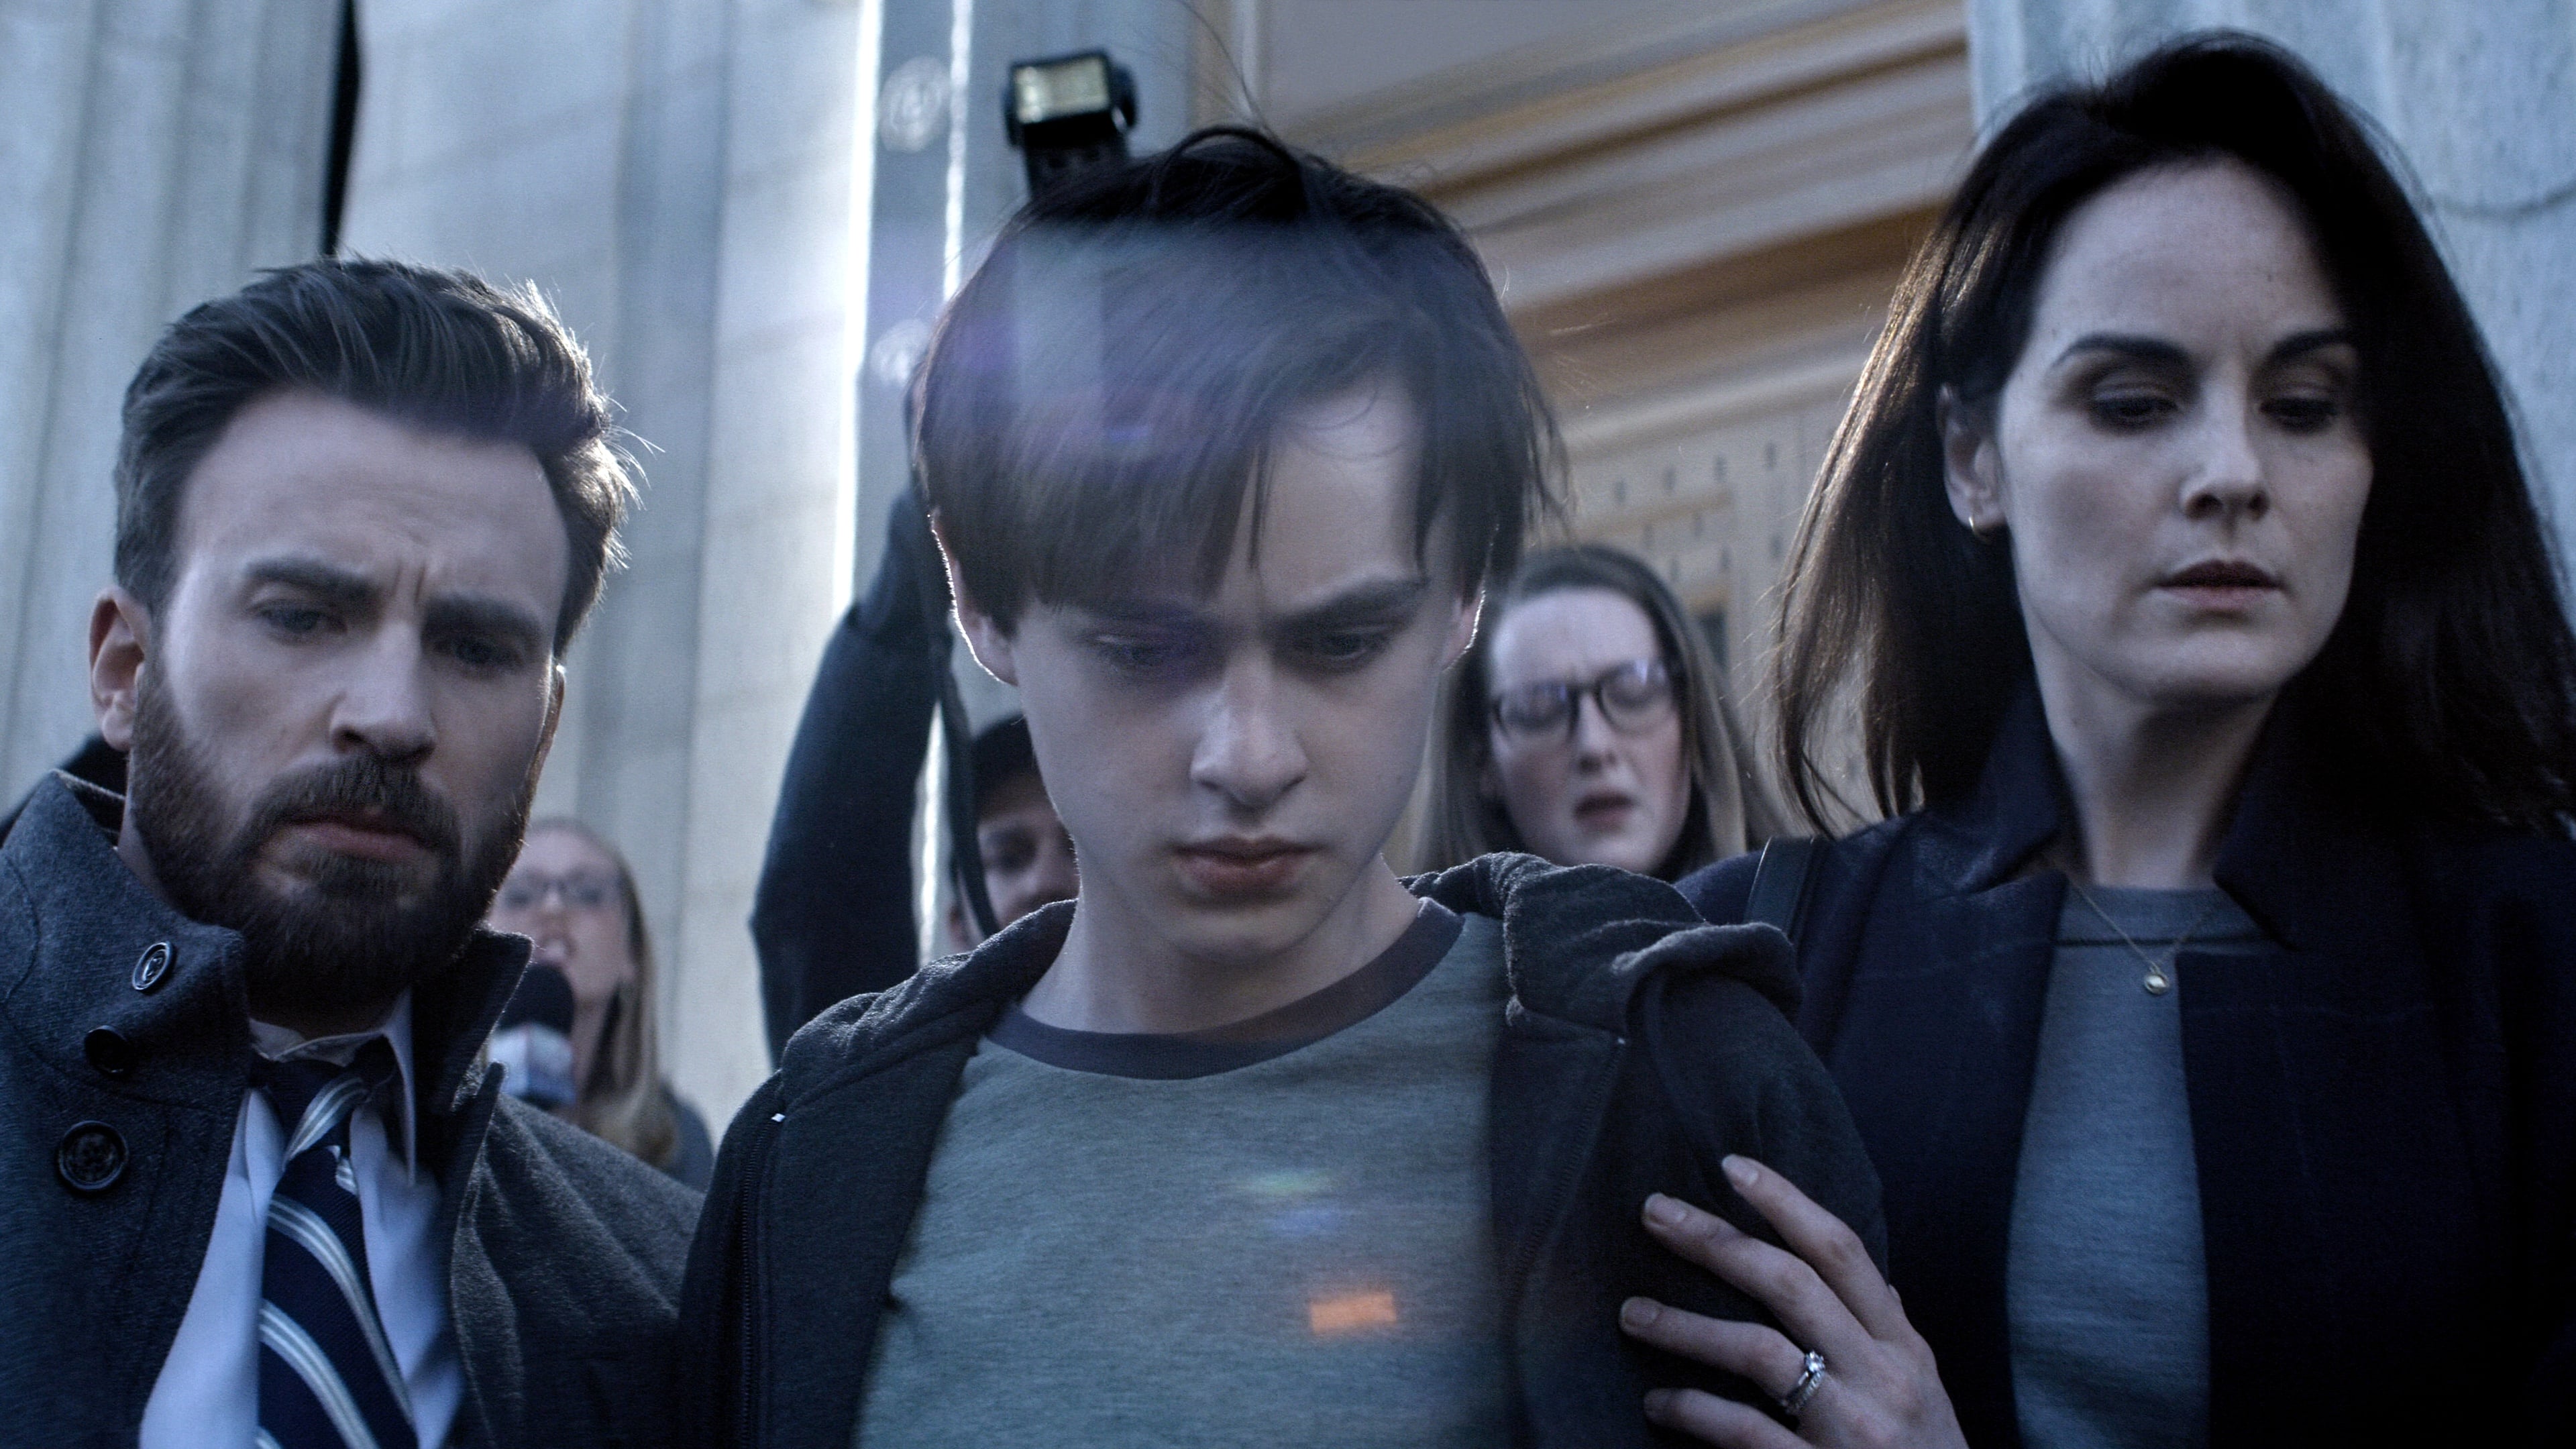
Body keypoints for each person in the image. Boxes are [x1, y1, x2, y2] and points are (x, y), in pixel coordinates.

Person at [680, 128, 1884, 1448]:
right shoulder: (815, 1171)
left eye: (1341, 643)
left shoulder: (1686, 1090)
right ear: (978, 602)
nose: (1248, 757)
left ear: (1466, 596)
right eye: (1144, 652)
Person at [1651, 35, 2576, 1448]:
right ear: (1972, 457)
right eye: (2134, 402)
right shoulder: (1762, 959)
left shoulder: (2540, 960)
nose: (2232, 475)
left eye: (2304, 406)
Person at [0, 259, 700, 1448]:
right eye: (301, 616)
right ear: (124, 670)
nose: (391, 714)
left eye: (475, 649)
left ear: (544, 731)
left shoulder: (662, 1293)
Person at [751, 482, 1077, 1059]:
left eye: (1080, 850)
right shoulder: (893, 1082)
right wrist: (911, 575)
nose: (1045, 884)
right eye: (1009, 857)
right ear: (957, 922)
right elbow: (822, 901)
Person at [1417, 542, 1780, 877]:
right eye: (1539, 710)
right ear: (1483, 761)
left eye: (1634, 692)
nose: (1594, 746)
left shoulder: (1807, 917)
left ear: (1694, 719)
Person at [486, 818, 718, 1189]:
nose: (552, 907)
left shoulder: (676, 1138)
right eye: (521, 896)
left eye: (588, 894)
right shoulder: (427, 1105)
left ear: (631, 954)